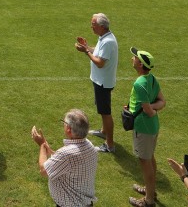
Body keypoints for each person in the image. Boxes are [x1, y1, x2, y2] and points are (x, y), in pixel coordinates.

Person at [30, 109, 99, 207]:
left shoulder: (66, 154)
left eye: (64, 123)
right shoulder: (89, 145)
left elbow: (43, 170)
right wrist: (47, 147)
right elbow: (62, 161)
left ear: (68, 129)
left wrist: (41, 145)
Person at [127, 47, 166, 207]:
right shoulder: (151, 79)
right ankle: (150, 190)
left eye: (135, 57)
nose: (133, 58)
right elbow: (162, 101)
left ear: (141, 64)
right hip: (152, 127)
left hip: (144, 128)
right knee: (150, 158)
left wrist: (151, 110)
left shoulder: (140, 83)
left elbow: (149, 111)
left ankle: (149, 200)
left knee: (145, 161)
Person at [75, 13, 119, 154]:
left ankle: (109, 145)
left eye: (93, 24)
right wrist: (87, 47)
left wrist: (86, 51)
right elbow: (99, 53)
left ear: (101, 26)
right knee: (102, 110)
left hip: (103, 83)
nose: (91, 26)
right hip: (101, 81)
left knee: (106, 113)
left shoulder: (108, 42)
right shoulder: (104, 38)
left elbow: (100, 63)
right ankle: (104, 131)